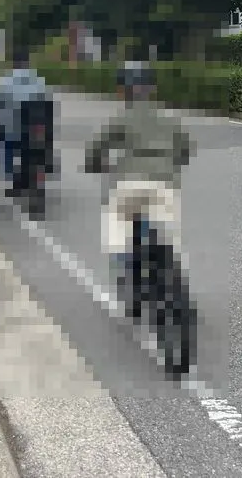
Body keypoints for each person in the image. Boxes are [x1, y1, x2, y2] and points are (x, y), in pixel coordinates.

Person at [85, 62, 191, 315]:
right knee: (169, 235)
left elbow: (97, 150)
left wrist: (95, 164)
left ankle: (128, 279)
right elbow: (185, 151)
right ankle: (174, 277)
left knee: (118, 228)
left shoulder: (121, 118)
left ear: (123, 90)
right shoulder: (168, 117)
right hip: (165, 185)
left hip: (130, 186)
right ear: (152, 88)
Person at [0, 49, 48, 193]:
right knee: (29, 153)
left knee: (8, 153)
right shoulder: (38, 80)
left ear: (13, 63)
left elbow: (0, 105)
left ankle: (14, 182)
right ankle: (31, 181)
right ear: (28, 63)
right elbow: (44, 104)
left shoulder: (7, 81)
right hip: (32, 125)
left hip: (11, 126)